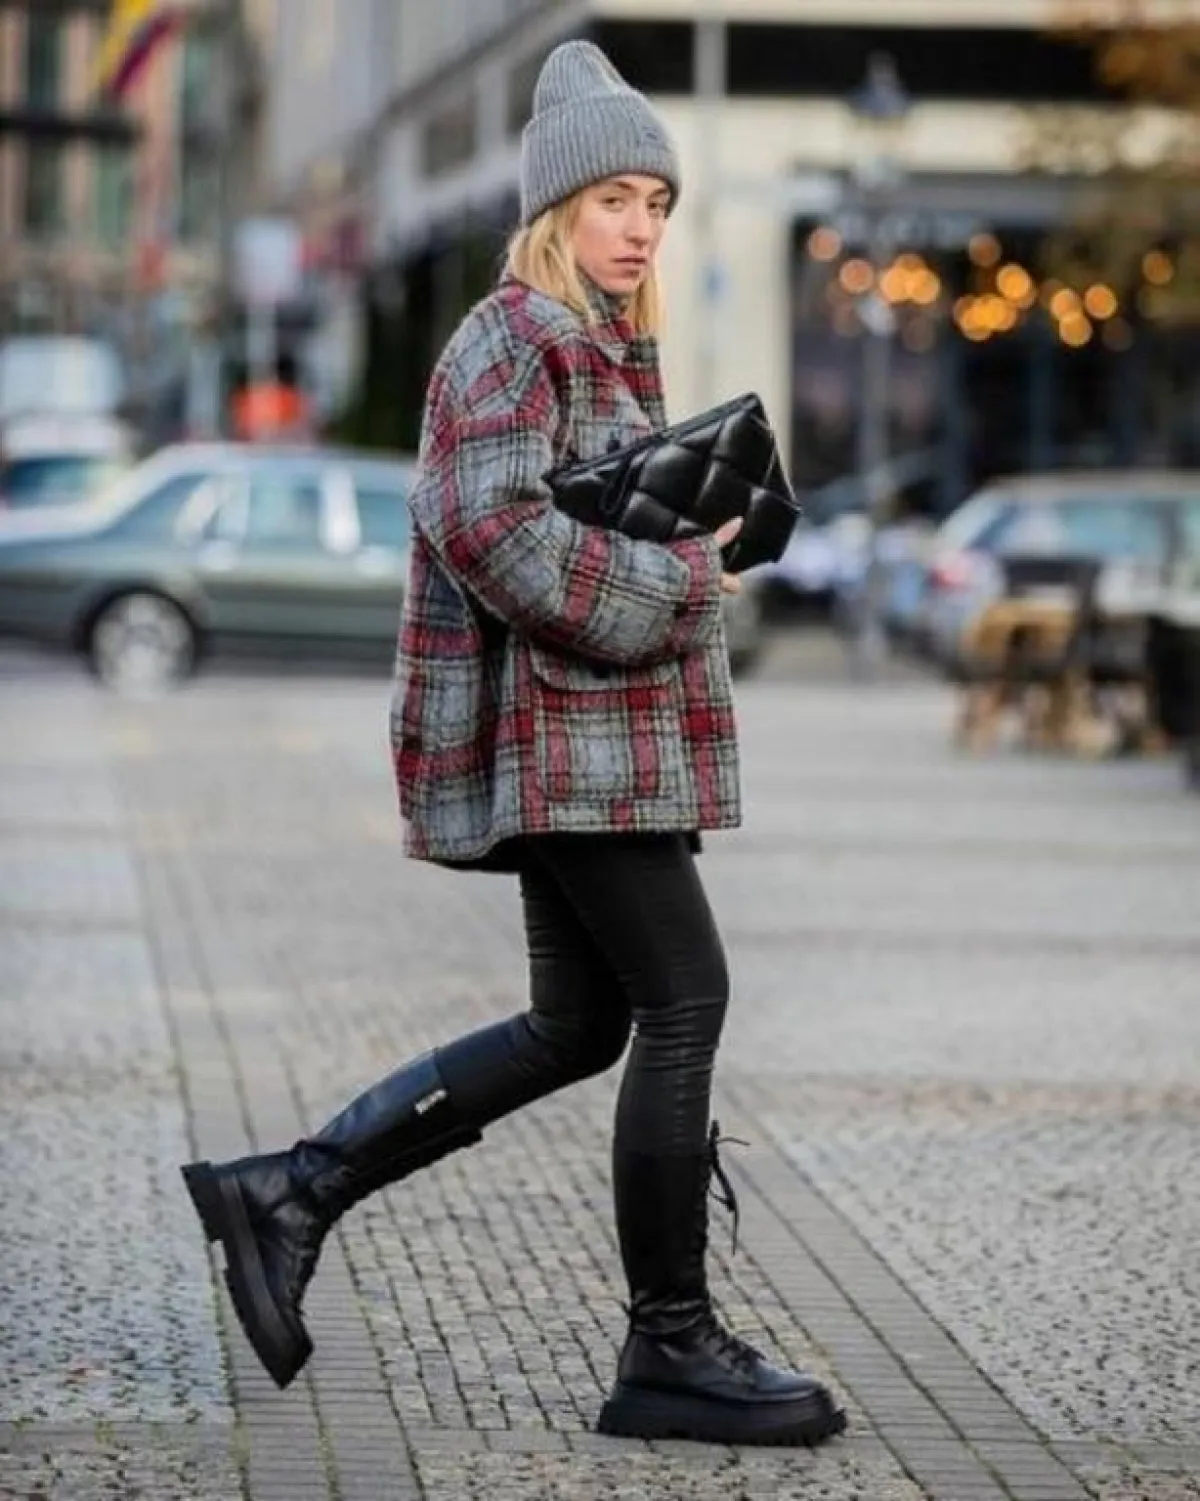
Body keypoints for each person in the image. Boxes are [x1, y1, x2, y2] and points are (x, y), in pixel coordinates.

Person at [180, 40, 846, 1450]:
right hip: (571, 744)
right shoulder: (514, 336)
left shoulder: (595, 342)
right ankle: (670, 1344)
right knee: (687, 998)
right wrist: (687, 577)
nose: (641, 228)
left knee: (580, 1023)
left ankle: (292, 1190)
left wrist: (696, 532)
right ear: (555, 207)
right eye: (614, 200)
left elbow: (556, 519)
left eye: (657, 203)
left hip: (596, 743)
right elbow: (492, 531)